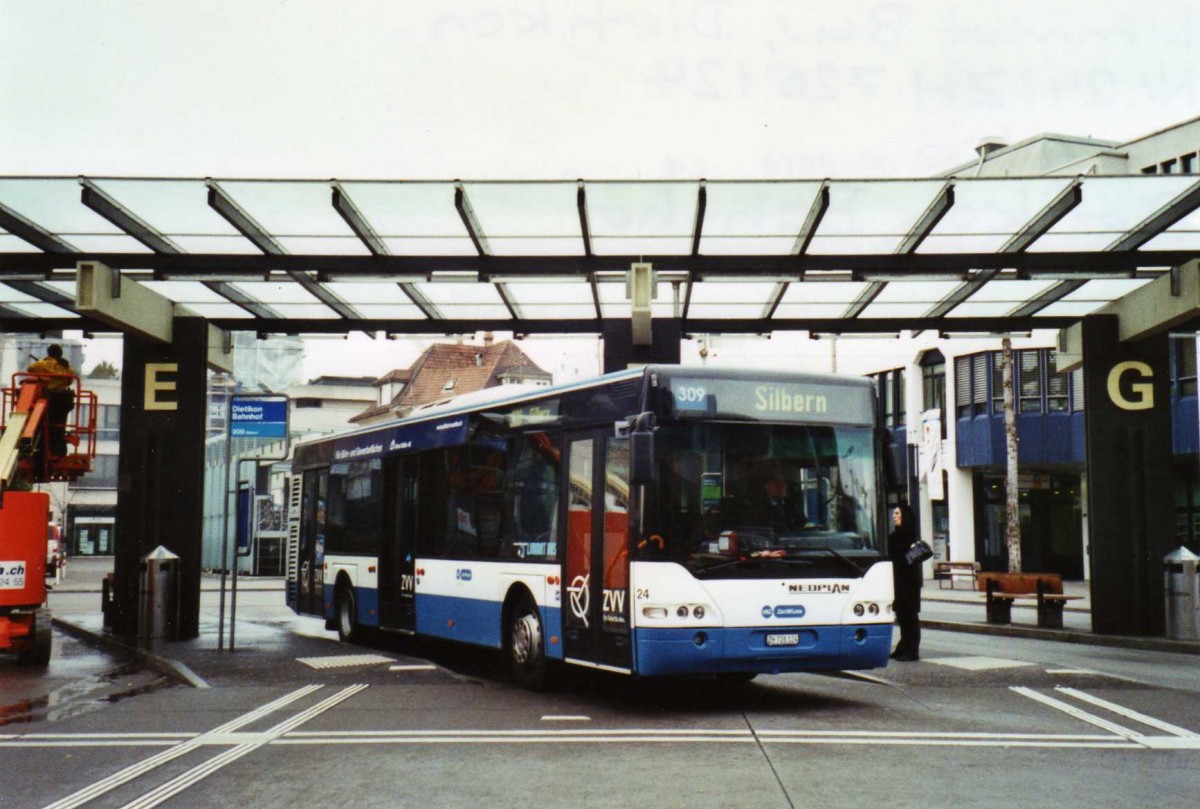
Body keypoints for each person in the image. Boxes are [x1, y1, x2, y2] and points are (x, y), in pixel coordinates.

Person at [887, 504, 922, 661]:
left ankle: (911, 650)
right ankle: (903, 647)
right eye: (894, 513)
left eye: (897, 513)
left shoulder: (908, 536)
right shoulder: (896, 535)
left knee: (910, 616)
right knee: (902, 615)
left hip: (908, 581)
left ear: (904, 516)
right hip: (898, 579)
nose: (894, 516)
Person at [27, 343, 75, 456]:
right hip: (63, 399)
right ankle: (58, 449)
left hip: (46, 398)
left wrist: (44, 372)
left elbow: (30, 369)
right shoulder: (65, 365)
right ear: (61, 353)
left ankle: (40, 446)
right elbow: (70, 379)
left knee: (42, 424)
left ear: (49, 353)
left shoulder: (42, 364)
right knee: (60, 425)